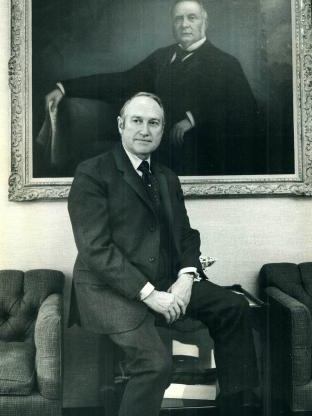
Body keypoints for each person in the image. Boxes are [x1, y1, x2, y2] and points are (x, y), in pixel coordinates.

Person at [68, 91, 258, 416]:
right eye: (137, 121)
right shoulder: (92, 173)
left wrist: (187, 277)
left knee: (234, 307)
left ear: (162, 129)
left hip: (166, 280)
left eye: (153, 123)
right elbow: (96, 250)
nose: (145, 130)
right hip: (111, 290)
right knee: (155, 364)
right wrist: (150, 295)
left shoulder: (166, 177)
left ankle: (234, 407)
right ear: (120, 125)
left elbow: (186, 235)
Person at [45, 0, 258, 175]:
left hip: (199, 157)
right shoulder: (162, 57)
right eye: (178, 19)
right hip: (154, 150)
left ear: (205, 21)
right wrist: (65, 87)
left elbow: (246, 110)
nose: (184, 24)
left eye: (191, 18)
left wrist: (194, 118)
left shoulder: (226, 63)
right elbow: (122, 81)